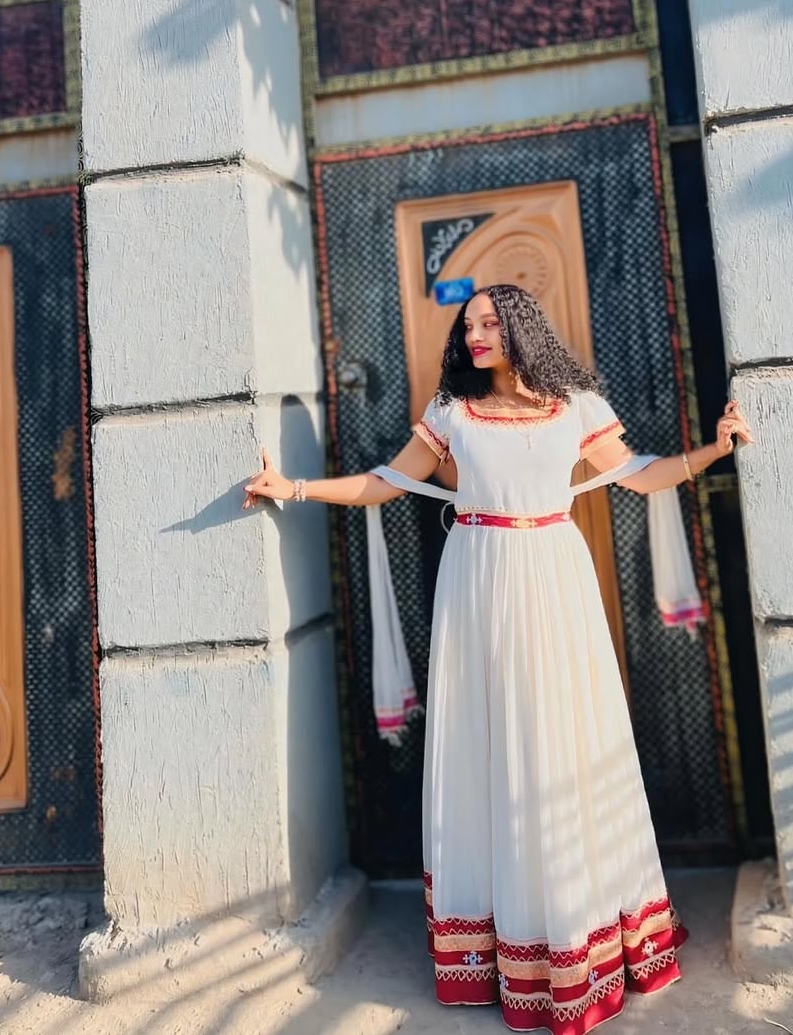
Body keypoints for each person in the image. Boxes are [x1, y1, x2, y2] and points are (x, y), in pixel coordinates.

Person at [243, 283, 753, 1034]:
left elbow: (637, 472)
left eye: (489, 322)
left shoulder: (576, 404)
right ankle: (502, 946)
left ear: (520, 329)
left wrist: (711, 451)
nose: (475, 334)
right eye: (467, 323)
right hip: (477, 578)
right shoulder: (451, 411)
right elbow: (387, 483)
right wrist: (295, 487)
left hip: (553, 573)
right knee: (491, 747)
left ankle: (578, 937)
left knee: (562, 744)